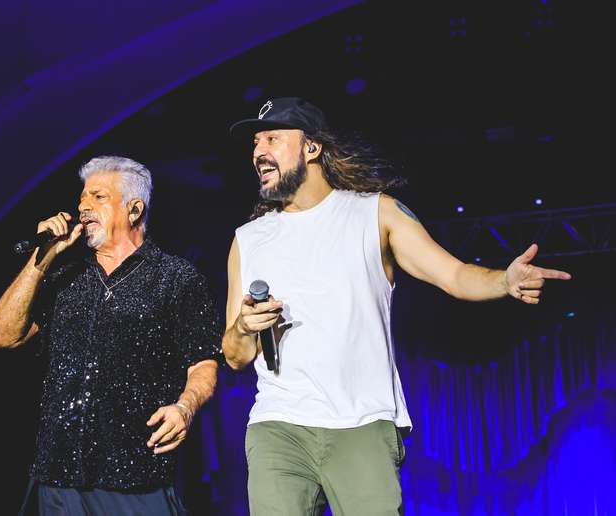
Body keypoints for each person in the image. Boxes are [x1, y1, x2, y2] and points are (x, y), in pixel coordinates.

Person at [221, 97, 572, 516]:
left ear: (311, 148)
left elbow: (454, 275)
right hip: (278, 426)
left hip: (361, 424)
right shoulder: (248, 240)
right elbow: (235, 356)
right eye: (256, 143)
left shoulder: (375, 213)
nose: (259, 152)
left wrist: (504, 280)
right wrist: (244, 327)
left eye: (273, 139)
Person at [0, 156, 222, 515]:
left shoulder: (175, 278)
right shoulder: (64, 277)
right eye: (82, 198)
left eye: (98, 197)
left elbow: (203, 363)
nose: (83, 207)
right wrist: (41, 260)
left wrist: (185, 407)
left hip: (135, 479)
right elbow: (3, 335)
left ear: (134, 209)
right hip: (58, 476)